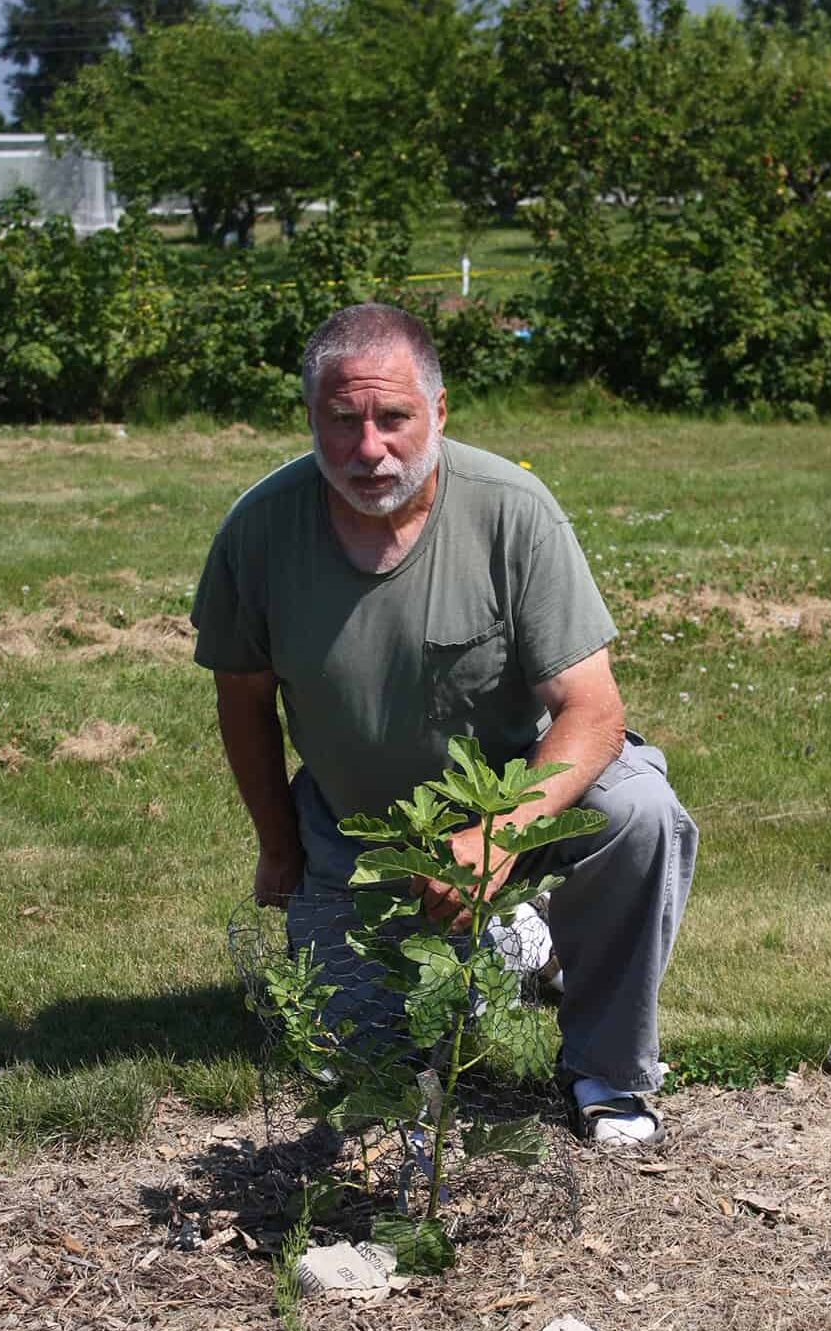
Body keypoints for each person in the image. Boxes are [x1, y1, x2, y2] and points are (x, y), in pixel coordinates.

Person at [191, 303, 698, 1144]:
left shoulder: (512, 510)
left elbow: (594, 709)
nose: (368, 449)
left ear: (439, 411)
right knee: (366, 1066)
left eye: (394, 419)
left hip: (513, 811)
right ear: (310, 416)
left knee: (637, 813)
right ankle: (519, 942)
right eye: (341, 421)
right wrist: (278, 843)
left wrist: (502, 833)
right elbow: (241, 700)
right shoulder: (260, 530)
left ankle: (607, 1070)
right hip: (361, 835)